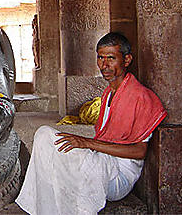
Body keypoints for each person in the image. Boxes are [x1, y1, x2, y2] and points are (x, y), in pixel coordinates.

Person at [15, 32, 167, 215]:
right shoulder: (108, 94)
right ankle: (46, 209)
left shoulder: (140, 97)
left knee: (67, 159)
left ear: (126, 60)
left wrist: (86, 143)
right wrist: (85, 145)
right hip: (102, 159)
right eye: (101, 57)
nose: (104, 65)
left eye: (111, 58)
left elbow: (138, 151)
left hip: (118, 176)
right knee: (44, 135)